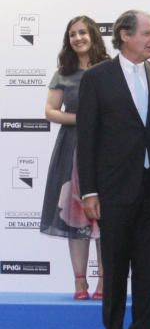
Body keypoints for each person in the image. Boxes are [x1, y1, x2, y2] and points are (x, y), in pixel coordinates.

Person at [77, 10, 150, 329]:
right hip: (114, 191)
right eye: (147, 33)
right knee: (114, 267)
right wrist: (90, 191)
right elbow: (87, 138)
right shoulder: (96, 78)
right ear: (125, 35)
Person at [40, 16, 109, 299]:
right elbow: (50, 111)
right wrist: (81, 119)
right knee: (74, 218)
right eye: (72, 34)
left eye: (82, 32)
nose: (78, 38)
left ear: (93, 35)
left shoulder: (109, 68)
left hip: (105, 149)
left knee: (104, 218)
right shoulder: (64, 72)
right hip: (72, 148)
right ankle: (80, 283)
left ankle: (104, 283)